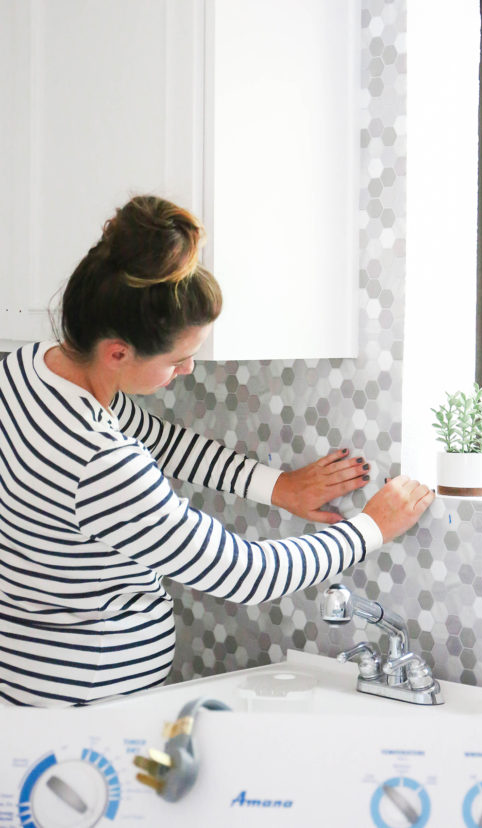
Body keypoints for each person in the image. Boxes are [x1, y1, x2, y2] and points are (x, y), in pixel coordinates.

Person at [0, 196, 433, 707]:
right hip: (85, 707)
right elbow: (245, 573)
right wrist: (373, 526)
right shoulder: (99, 461)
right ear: (118, 351)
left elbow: (157, 438)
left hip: (26, 686)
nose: (185, 371)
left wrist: (279, 487)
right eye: (178, 359)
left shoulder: (28, 370)